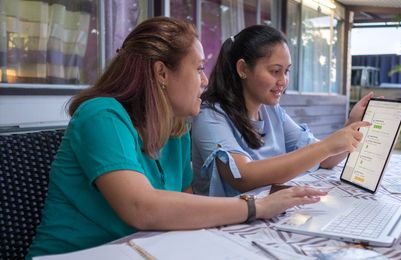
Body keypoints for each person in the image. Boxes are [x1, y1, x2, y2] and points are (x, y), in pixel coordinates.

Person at [26, 17, 326, 258]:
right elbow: (142, 208)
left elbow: (181, 208)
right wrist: (255, 207)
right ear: (161, 73)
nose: (205, 80)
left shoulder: (177, 129)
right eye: (198, 69)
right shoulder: (101, 115)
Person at [191, 25, 371, 196]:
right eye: (275, 71)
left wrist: (352, 125)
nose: (284, 81)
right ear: (243, 69)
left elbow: (325, 159)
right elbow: (242, 176)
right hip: (222, 226)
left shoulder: (272, 111)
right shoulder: (210, 116)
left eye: (286, 71)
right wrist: (325, 146)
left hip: (266, 217)